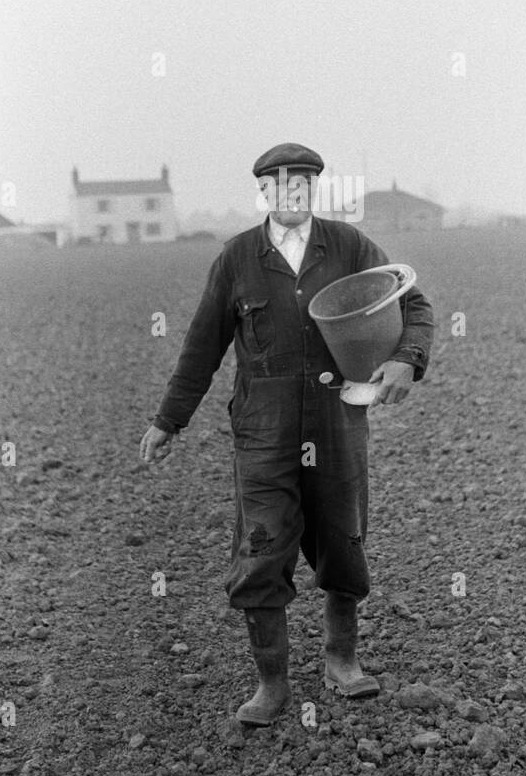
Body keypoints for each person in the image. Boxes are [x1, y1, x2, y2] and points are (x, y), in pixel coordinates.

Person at [139, 143, 434, 725]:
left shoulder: (348, 247)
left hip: (336, 419)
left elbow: (415, 304)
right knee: (261, 545)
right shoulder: (237, 259)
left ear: (314, 191)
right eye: (281, 185)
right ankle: (271, 683)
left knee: (342, 536)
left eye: (304, 184)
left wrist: (406, 357)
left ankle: (341, 660)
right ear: (265, 193)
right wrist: (168, 419)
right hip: (263, 429)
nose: (292, 194)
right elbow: (202, 347)